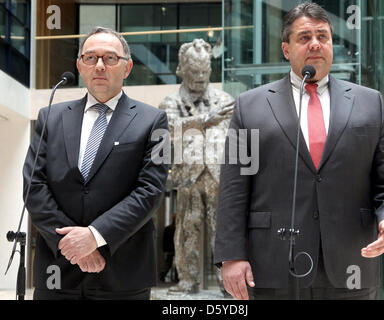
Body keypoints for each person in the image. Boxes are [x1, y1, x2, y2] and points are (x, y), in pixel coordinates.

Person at [214, 2, 384, 300]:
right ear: (286, 49)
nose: (316, 44)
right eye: (304, 37)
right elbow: (233, 187)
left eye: (323, 36)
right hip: (272, 266)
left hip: (352, 263)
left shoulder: (371, 102)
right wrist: (231, 256)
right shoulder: (249, 106)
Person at [23, 26, 169, 300]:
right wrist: (71, 244)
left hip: (122, 274)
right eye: (90, 58)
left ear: (127, 68)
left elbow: (150, 191)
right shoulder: (50, 118)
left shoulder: (154, 121)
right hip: (57, 271)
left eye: (110, 58)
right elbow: (34, 185)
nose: (99, 65)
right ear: (80, 65)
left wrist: (94, 236)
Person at [159, 39, 234, 293]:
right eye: (194, 72)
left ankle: (227, 283)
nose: (201, 78)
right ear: (182, 69)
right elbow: (169, 129)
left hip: (218, 175)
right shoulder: (170, 102)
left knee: (222, 231)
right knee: (186, 229)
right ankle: (187, 280)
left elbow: (240, 138)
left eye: (205, 72)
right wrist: (205, 120)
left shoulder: (225, 100)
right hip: (187, 176)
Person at [160, 213, 178, 283]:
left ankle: (163, 276)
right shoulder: (171, 229)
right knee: (170, 264)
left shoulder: (168, 229)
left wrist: (165, 249)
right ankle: (176, 278)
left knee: (169, 264)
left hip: (171, 249)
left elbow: (164, 240)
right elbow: (165, 240)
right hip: (172, 249)